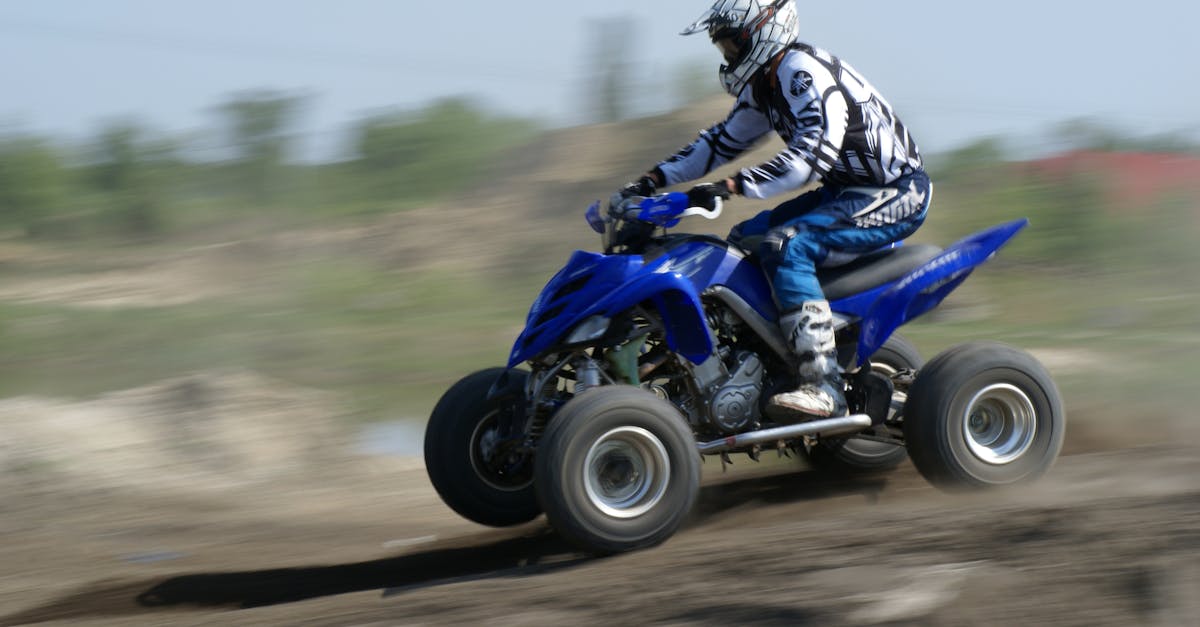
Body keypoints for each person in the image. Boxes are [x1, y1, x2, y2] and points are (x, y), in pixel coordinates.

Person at [615, 0, 931, 420]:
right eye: (722, 47)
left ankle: (823, 386)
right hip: (845, 193)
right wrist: (651, 181)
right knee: (739, 242)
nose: (727, 54)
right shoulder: (765, 84)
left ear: (764, 31)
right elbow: (720, 143)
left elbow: (809, 158)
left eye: (732, 43)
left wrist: (730, 186)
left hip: (893, 191)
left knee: (787, 247)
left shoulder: (802, 73)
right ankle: (763, 359)